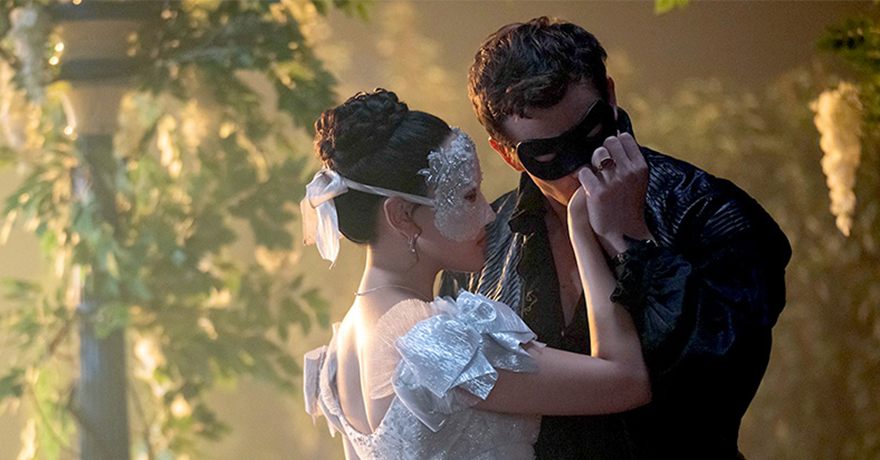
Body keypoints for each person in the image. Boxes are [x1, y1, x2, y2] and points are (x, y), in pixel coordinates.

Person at [442, 16, 792, 459]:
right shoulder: (479, 246)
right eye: (548, 154)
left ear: (610, 97)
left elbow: (721, 381)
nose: (579, 167)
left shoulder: (709, 212)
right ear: (506, 153)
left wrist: (631, 244)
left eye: (591, 134)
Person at [301, 89, 652, 460]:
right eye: (468, 196)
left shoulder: (337, 361)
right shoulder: (434, 342)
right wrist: (580, 226)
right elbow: (626, 382)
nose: (489, 214)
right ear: (401, 216)